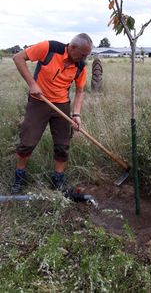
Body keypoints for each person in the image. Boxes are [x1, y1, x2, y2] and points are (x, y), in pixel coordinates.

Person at [11, 33, 93, 194]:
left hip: (62, 105)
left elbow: (80, 91)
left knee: (63, 145)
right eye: (83, 54)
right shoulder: (48, 48)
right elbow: (18, 58)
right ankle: (19, 178)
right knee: (27, 142)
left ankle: (58, 180)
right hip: (38, 102)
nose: (85, 58)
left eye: (87, 55)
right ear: (72, 47)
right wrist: (32, 84)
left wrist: (76, 114)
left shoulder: (80, 66)